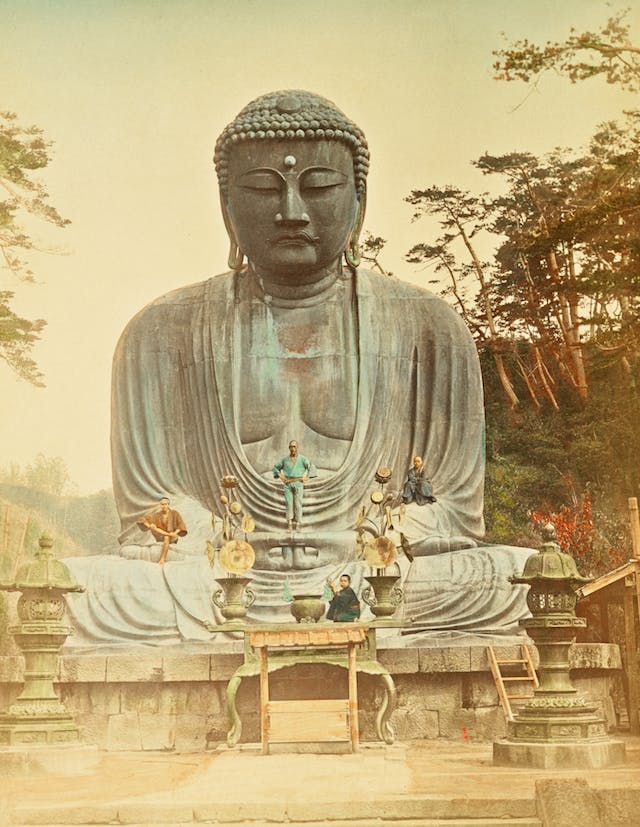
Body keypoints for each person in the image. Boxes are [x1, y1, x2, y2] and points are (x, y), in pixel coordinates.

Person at [63, 90, 532, 645]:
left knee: (513, 576)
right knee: (84, 588)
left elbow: (453, 511)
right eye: (262, 188)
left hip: (376, 572)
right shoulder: (159, 333)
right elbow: (150, 514)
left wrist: (372, 541)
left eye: (320, 187)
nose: (291, 211)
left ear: (359, 198)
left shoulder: (428, 326)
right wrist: (219, 546)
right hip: (217, 578)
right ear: (225, 204)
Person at [272, 440, 317, 530]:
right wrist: (282, 477)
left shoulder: (302, 459)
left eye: (294, 447)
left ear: (297, 448)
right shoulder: (285, 460)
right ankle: (289, 523)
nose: (293, 449)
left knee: (298, 504)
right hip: (288, 484)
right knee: (289, 503)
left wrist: (308, 476)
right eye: (291, 447)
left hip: (298, 484)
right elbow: (275, 468)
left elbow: (311, 467)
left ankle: (298, 523)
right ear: (289, 448)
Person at [137, 497, 187, 564]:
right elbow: (141, 520)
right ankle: (167, 534)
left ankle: (162, 559)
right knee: (154, 527)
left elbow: (180, 525)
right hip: (160, 536)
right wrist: (149, 526)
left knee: (167, 537)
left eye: (165, 504)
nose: (164, 506)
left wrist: (175, 533)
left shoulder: (174, 513)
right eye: (162, 504)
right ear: (160, 505)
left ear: (168, 504)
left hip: (172, 537)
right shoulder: (157, 515)